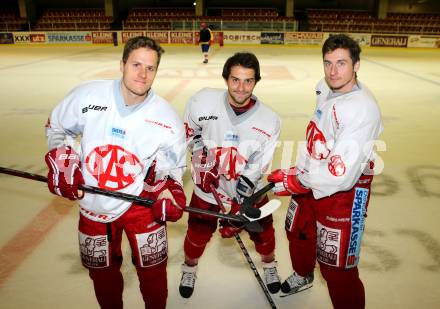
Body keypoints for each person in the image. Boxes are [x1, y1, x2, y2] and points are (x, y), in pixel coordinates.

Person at [44, 36, 187, 309]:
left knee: (153, 270)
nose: (143, 74)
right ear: (122, 64)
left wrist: (170, 187)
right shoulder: (87, 96)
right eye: (136, 64)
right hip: (93, 204)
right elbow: (57, 127)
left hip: (141, 203)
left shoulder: (167, 119)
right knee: (102, 273)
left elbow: (172, 167)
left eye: (150, 68)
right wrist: (63, 158)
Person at [267, 34, 384, 309]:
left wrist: (296, 180)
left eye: (341, 63)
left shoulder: (362, 110)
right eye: (328, 63)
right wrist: (301, 170)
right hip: (314, 176)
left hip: (345, 191)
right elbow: (322, 139)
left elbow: (341, 175)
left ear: (356, 65)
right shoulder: (325, 87)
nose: (333, 71)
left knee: (336, 267)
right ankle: (304, 274)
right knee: (296, 228)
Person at [179, 52, 282, 298]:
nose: (241, 88)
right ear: (226, 78)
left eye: (248, 81)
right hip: (207, 189)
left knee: (264, 234)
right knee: (196, 234)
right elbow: (189, 133)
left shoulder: (269, 120)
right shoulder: (202, 101)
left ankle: (270, 265)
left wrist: (238, 204)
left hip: (246, 193)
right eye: (235, 80)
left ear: (256, 81)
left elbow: (257, 165)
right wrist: (199, 159)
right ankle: (189, 268)